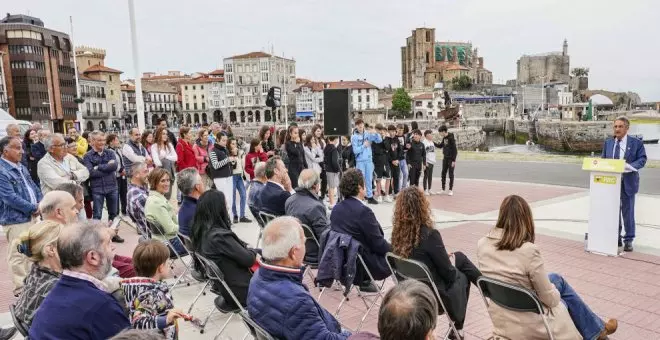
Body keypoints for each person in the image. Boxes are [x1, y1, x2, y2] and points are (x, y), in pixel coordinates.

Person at [477, 195, 618, 340]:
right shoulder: (528, 251)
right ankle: (597, 331)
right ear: (526, 220)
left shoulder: (482, 245)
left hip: (503, 311)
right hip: (531, 318)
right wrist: (554, 291)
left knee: (557, 279)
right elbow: (550, 300)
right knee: (562, 294)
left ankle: (598, 330)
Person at [391, 187, 481, 338]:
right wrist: (448, 261)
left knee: (459, 257)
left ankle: (485, 287)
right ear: (422, 207)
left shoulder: (396, 235)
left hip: (409, 290)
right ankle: (458, 326)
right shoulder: (430, 235)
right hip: (434, 295)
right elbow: (450, 275)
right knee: (463, 275)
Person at [247, 216, 351, 340]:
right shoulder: (297, 301)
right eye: (304, 242)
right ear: (294, 252)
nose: (305, 246)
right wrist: (351, 336)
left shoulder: (257, 277)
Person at [29, 221, 131, 339]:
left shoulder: (57, 291)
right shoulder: (102, 305)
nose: (113, 247)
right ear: (93, 257)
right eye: (108, 243)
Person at [191, 190, 257, 308]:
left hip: (227, 288)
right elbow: (249, 260)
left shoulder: (201, 232)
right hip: (243, 290)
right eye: (225, 205)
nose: (226, 208)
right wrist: (253, 251)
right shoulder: (219, 236)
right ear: (218, 209)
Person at [330, 169, 391, 291]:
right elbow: (378, 244)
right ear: (359, 187)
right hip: (362, 266)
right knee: (400, 258)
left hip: (343, 262)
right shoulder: (363, 212)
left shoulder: (336, 209)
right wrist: (397, 251)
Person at [0, 136, 42, 294]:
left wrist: (40, 203)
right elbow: (9, 198)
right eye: (17, 148)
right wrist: (33, 208)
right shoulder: (2, 170)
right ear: (5, 151)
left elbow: (33, 186)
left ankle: (31, 284)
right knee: (18, 253)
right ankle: (21, 288)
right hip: (15, 219)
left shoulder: (21, 167)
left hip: (31, 216)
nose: (22, 152)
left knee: (30, 252)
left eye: (22, 147)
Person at [600, 116, 647, 252]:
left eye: (620, 126)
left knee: (628, 213)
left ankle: (629, 240)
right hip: (611, 184)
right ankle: (616, 238)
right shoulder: (608, 143)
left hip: (628, 182)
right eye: (615, 126)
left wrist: (630, 166)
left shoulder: (636, 143)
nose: (617, 129)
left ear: (627, 128)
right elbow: (603, 160)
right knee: (613, 212)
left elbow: (642, 159)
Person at [121, 241, 185, 340]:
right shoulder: (150, 293)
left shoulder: (136, 286)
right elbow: (138, 322)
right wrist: (166, 319)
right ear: (160, 268)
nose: (170, 266)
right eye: (168, 264)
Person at [83, 131, 123, 240]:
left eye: (103, 140)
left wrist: (98, 167)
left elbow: (114, 167)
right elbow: (91, 173)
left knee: (113, 213)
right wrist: (106, 167)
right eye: (99, 140)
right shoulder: (87, 156)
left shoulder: (110, 152)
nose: (102, 142)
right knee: (97, 214)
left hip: (112, 186)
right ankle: (97, 237)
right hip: (97, 189)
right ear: (92, 142)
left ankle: (113, 234)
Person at [285, 169, 330, 263]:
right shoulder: (315, 207)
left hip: (296, 248)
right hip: (313, 253)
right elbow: (324, 237)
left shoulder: (289, 201)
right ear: (315, 185)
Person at [145, 168, 186, 255]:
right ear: (154, 183)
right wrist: (188, 227)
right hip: (170, 244)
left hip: (164, 240)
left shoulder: (154, 198)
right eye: (162, 181)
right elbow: (170, 229)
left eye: (168, 180)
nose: (167, 183)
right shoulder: (157, 203)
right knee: (204, 241)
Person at [351, 118, 382, 204]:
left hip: (368, 160)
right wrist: (364, 146)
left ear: (363, 125)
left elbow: (379, 140)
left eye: (362, 126)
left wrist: (375, 133)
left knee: (369, 179)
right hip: (360, 161)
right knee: (360, 180)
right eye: (359, 126)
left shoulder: (368, 134)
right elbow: (355, 151)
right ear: (356, 126)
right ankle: (360, 197)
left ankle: (370, 197)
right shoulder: (354, 137)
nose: (361, 128)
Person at [208, 133, 233, 214]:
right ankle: (224, 219)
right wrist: (227, 160)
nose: (225, 142)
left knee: (230, 199)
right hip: (220, 178)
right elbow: (215, 165)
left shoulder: (225, 150)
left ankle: (228, 218)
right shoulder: (213, 151)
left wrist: (232, 161)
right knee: (224, 199)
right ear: (217, 140)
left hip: (228, 176)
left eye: (226, 140)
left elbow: (228, 163)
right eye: (223, 140)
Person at [177, 167, 206, 237]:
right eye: (201, 180)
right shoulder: (199, 211)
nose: (204, 183)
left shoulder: (184, 207)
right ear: (197, 187)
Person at [150, 127, 177, 200]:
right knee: (161, 195)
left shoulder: (169, 145)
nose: (165, 135)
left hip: (170, 172)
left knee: (169, 194)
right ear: (159, 135)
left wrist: (165, 157)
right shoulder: (154, 146)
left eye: (166, 134)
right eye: (163, 134)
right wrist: (167, 158)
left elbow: (175, 157)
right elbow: (157, 162)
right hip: (160, 173)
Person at [228, 138, 251, 223]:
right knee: (233, 196)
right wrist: (234, 155)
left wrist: (240, 155)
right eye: (232, 143)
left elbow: (242, 165)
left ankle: (242, 216)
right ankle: (235, 215)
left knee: (244, 194)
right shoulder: (228, 154)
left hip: (239, 176)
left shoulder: (240, 152)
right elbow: (232, 166)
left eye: (235, 143)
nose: (235, 145)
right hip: (232, 176)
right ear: (229, 145)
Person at [127, 162, 151, 238]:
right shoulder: (139, 196)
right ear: (136, 175)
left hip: (147, 235)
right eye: (145, 171)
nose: (148, 174)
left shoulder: (132, 190)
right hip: (155, 239)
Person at [107, 133, 128, 216]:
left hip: (122, 175)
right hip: (115, 176)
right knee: (116, 194)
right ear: (111, 142)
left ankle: (125, 210)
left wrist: (124, 169)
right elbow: (113, 164)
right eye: (116, 140)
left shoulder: (118, 150)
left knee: (124, 193)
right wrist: (120, 170)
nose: (118, 141)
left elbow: (122, 161)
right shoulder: (109, 152)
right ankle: (116, 213)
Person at [371, 124, 392, 203]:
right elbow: (374, 150)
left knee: (388, 177)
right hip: (377, 161)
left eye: (382, 131)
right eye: (379, 130)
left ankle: (386, 195)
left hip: (385, 160)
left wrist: (383, 139)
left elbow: (387, 148)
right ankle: (379, 195)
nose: (380, 132)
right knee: (378, 179)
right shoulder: (373, 139)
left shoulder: (386, 139)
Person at [437, 125, 457, 196]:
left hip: (451, 159)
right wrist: (433, 142)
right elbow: (440, 146)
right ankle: (443, 189)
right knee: (443, 173)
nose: (440, 134)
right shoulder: (444, 138)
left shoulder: (451, 138)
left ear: (443, 131)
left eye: (440, 132)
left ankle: (450, 190)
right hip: (445, 158)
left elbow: (455, 150)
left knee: (451, 174)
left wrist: (453, 160)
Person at [323, 136, 341, 208]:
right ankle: (332, 203)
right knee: (332, 187)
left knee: (330, 186)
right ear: (335, 139)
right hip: (333, 170)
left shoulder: (326, 147)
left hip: (328, 169)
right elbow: (334, 161)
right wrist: (338, 169)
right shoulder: (333, 149)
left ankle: (331, 202)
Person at [385, 125, 402, 197]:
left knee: (396, 177)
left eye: (394, 131)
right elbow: (386, 152)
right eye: (390, 131)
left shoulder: (397, 139)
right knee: (389, 177)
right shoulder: (386, 139)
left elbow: (400, 151)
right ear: (388, 131)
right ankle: (388, 193)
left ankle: (396, 192)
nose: (392, 133)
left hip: (396, 162)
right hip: (389, 162)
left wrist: (397, 160)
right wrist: (392, 161)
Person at [311, 124, 328, 199]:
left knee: (324, 179)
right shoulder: (312, 140)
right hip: (315, 163)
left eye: (320, 131)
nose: (319, 132)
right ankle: (315, 194)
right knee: (316, 180)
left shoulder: (322, 141)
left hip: (322, 162)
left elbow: (324, 151)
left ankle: (323, 194)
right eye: (318, 131)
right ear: (314, 131)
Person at [422, 130, 437, 195]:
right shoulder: (424, 143)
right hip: (427, 161)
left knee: (430, 176)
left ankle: (429, 189)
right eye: (431, 134)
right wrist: (425, 162)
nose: (432, 135)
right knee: (426, 176)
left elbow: (433, 152)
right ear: (427, 135)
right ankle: (425, 190)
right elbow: (423, 154)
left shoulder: (431, 142)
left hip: (432, 161)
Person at [396, 124, 409, 190]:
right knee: (400, 176)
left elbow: (404, 147)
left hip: (403, 159)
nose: (401, 131)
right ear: (397, 129)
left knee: (406, 174)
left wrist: (407, 147)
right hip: (397, 159)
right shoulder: (394, 137)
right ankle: (398, 190)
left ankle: (404, 189)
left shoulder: (404, 137)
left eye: (402, 130)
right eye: (399, 130)